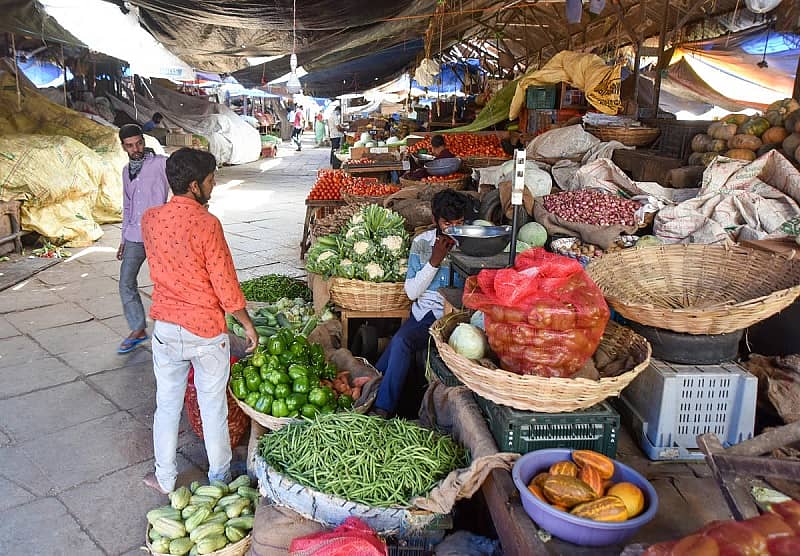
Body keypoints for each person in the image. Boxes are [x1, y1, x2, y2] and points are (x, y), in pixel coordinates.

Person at [140, 148, 258, 494]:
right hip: (205, 332)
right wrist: (247, 323)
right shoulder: (208, 225)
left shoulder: (150, 219)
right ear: (194, 185)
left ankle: (163, 479)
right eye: (210, 180)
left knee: (166, 405)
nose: (214, 184)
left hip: (165, 328)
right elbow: (225, 285)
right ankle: (219, 479)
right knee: (213, 408)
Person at [372, 189, 469, 417]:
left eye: (460, 222)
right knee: (401, 341)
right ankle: (381, 406)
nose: (453, 228)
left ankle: (372, 385)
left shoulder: (471, 243)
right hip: (425, 315)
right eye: (447, 223)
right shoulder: (422, 244)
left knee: (396, 345)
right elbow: (412, 292)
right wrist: (434, 261)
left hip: (457, 317)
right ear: (435, 220)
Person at [116, 124, 170, 354]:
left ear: (144, 142)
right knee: (125, 282)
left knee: (166, 283)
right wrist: (122, 238)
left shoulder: (160, 163)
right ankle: (138, 329)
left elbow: (182, 180)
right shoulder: (126, 171)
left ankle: (171, 330)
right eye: (130, 145)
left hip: (159, 235)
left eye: (139, 143)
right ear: (123, 147)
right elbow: (127, 205)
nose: (136, 148)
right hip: (134, 236)